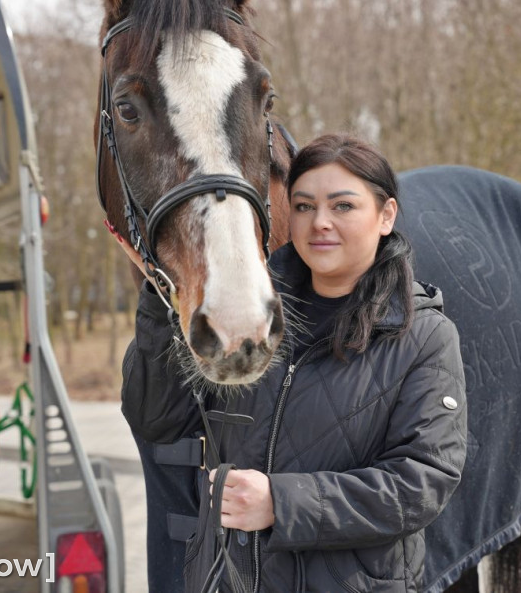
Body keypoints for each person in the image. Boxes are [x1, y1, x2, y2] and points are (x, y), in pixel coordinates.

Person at [114, 134, 468, 592]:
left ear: (386, 216)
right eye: (303, 206)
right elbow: (154, 418)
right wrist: (162, 288)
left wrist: (281, 504)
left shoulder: (424, 336)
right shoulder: (253, 320)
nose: (319, 222)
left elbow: (422, 482)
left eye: (342, 206)